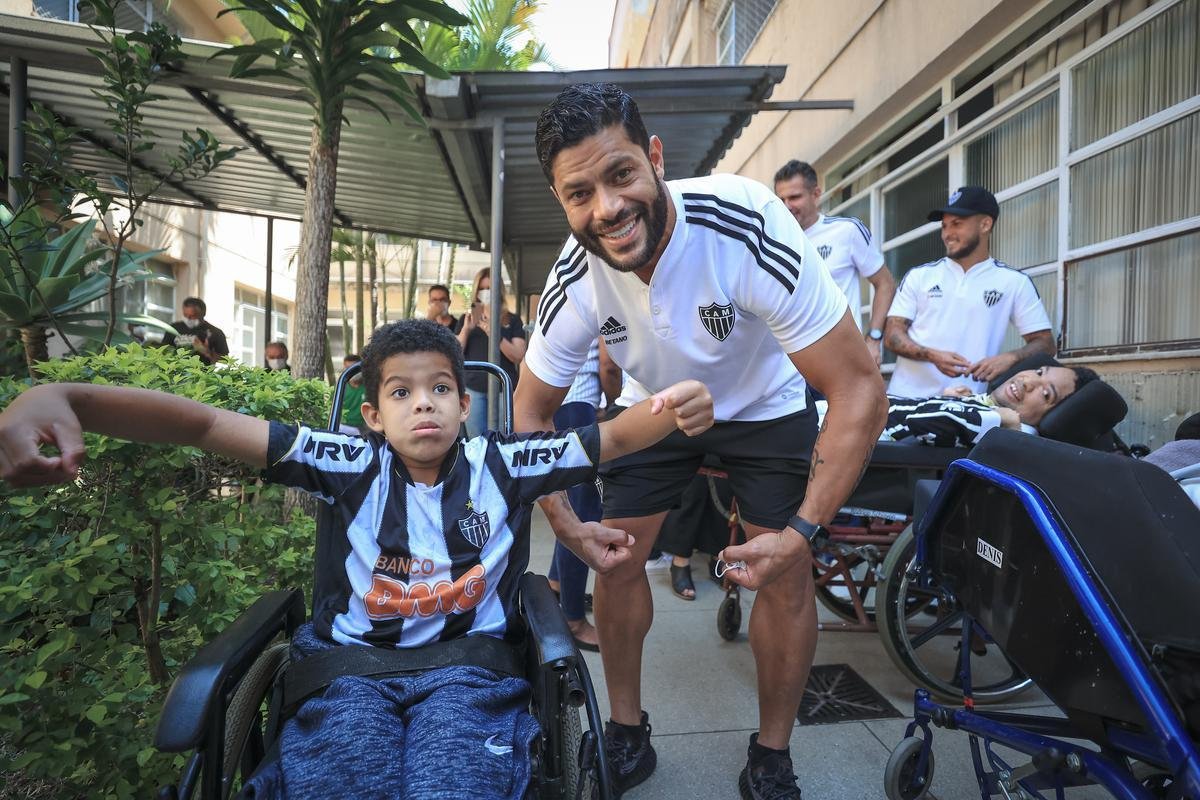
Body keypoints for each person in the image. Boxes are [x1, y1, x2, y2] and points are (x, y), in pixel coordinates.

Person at [0, 319, 714, 800]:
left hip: (470, 676)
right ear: (371, 415)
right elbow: (205, 423)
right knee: (342, 779)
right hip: (347, 676)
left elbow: (616, 438)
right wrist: (63, 396)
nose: (423, 405)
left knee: (452, 784)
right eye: (401, 393)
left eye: (440, 389)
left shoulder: (503, 462)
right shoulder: (345, 460)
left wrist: (674, 404)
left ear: (464, 405)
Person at [515, 83, 887, 800]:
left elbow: (859, 388)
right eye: (580, 193)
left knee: (785, 572)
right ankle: (627, 731)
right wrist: (566, 526)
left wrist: (803, 533)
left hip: (764, 403)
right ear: (561, 201)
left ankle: (772, 754)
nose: (608, 209)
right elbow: (530, 417)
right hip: (655, 407)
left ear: (655, 158)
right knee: (617, 556)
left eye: (621, 174)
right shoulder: (575, 273)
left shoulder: (744, 221)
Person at [885, 186, 1056, 398]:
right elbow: (892, 336)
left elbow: (1046, 344)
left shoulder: (1015, 282)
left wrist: (1010, 358)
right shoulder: (919, 276)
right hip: (904, 399)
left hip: (966, 404)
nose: (947, 234)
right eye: (944, 226)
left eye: (957, 224)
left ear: (985, 224)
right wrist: (932, 355)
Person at [774, 160, 894, 365]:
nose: (787, 206)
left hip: (843, 358)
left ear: (816, 194)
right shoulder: (775, 243)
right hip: (791, 363)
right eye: (781, 199)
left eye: (794, 197)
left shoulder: (846, 230)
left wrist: (874, 339)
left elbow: (885, 283)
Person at [546, 337, 621, 651]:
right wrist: (615, 403)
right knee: (583, 516)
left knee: (572, 508)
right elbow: (609, 364)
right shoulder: (601, 305)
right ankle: (573, 619)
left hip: (558, 403)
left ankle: (557, 584)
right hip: (579, 408)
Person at [879, 364, 1100, 447]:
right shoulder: (990, 413)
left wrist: (997, 417)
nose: (1028, 381)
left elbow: (921, 421)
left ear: (1057, 417)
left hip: (869, 428)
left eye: (1046, 394)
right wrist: (954, 401)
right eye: (1039, 371)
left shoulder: (1008, 429)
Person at [454, 268, 527, 437]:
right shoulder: (467, 318)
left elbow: (518, 355)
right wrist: (466, 329)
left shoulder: (512, 319)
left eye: (489, 288)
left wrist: (493, 333)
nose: (485, 293)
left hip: (503, 389)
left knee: (504, 439)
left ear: (498, 291)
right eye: (482, 288)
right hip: (474, 388)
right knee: (476, 440)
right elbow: (455, 352)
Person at [169, 297, 230, 366]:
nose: (188, 318)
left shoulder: (215, 332)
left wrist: (207, 352)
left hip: (201, 372)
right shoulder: (173, 328)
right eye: (185, 315)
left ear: (203, 313)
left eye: (193, 316)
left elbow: (225, 360)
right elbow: (163, 351)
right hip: (176, 371)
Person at [338, 354, 366, 436]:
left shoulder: (370, 387)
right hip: (343, 427)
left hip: (364, 428)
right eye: (347, 368)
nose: (350, 372)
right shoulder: (340, 388)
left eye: (353, 368)